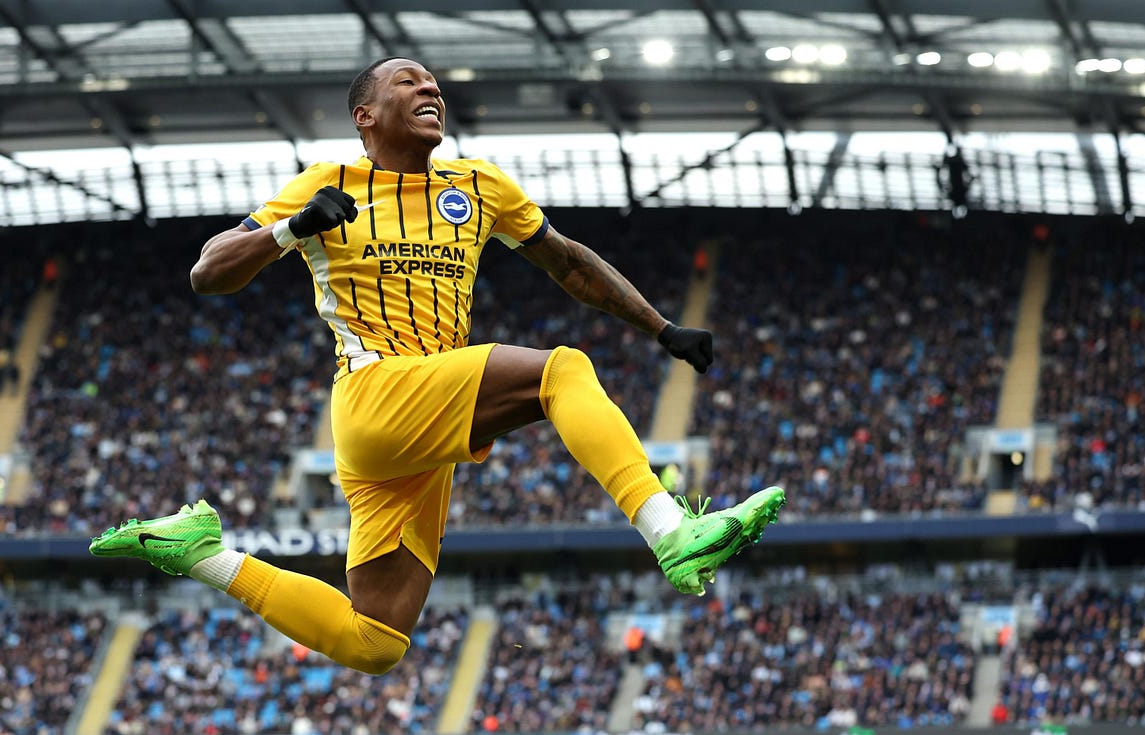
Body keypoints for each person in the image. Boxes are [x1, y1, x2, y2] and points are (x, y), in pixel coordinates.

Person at [91, 56, 784, 677]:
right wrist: (293, 228)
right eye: (408, 82)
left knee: (376, 641)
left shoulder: (478, 187)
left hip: (418, 431)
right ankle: (672, 532)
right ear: (365, 116)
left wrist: (662, 328)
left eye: (434, 84)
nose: (431, 90)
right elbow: (208, 271)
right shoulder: (326, 182)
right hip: (374, 391)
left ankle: (199, 553)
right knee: (561, 371)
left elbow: (569, 264)